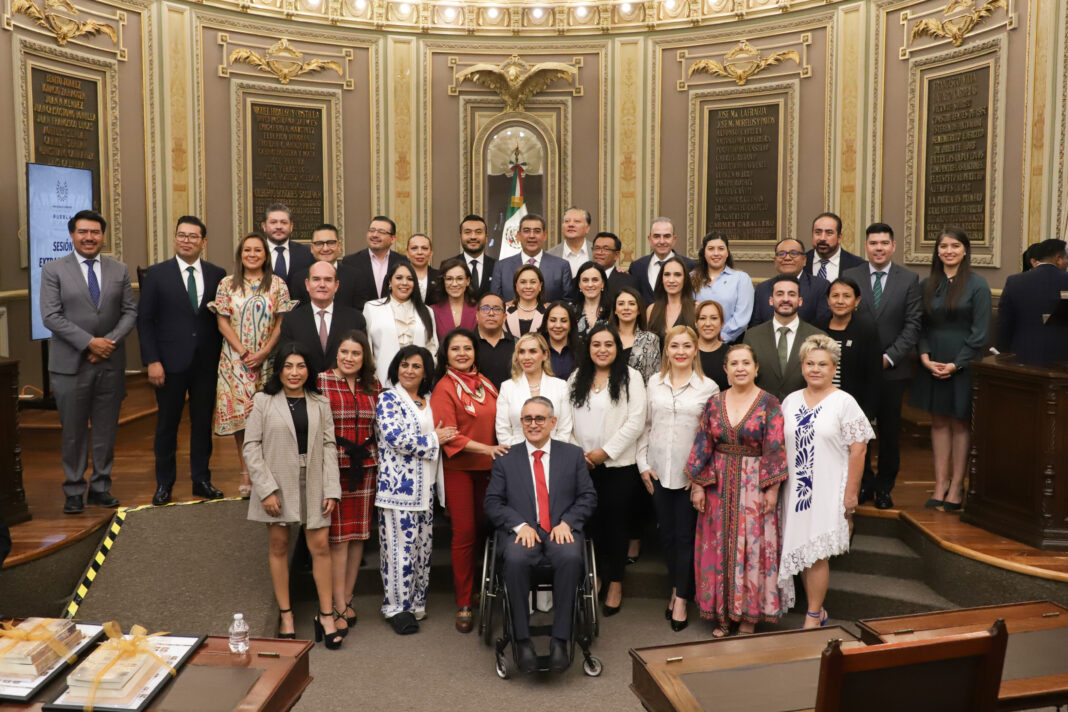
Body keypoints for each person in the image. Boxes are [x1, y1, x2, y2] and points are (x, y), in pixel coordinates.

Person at [484, 396, 597, 673]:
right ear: (521, 422)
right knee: (516, 559)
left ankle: (561, 639)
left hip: (560, 532)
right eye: (527, 419)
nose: (533, 424)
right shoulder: (506, 459)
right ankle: (522, 641)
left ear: (552, 422)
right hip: (523, 534)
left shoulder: (572, 455)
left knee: (571, 558)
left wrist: (568, 522)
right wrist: (520, 526)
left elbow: (588, 496)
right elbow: (492, 502)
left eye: (539, 419)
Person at [243, 344, 343, 648]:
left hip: (313, 479)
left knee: (320, 546)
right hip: (277, 483)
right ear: (280, 369)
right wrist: (266, 489)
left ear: (308, 371)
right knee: (279, 544)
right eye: (288, 366)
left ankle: (326, 615)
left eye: (301, 366)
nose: (295, 372)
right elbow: (251, 447)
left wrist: (332, 489)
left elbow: (328, 446)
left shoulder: (320, 402)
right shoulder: (263, 401)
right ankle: (286, 615)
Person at [686, 343, 787, 636]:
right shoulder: (714, 402)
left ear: (756, 368)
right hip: (717, 485)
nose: (740, 368)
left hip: (754, 486)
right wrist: (698, 486)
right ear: (726, 370)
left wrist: (772, 490)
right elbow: (703, 444)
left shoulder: (770, 403)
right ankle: (722, 614)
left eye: (746, 363)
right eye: (734, 363)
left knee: (751, 548)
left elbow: (775, 448)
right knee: (719, 547)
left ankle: (748, 617)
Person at [41, 209, 137, 514]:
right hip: (71, 365)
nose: (89, 237)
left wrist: (107, 344)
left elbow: (130, 312)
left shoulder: (118, 269)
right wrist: (89, 343)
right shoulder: (53, 270)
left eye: (95, 232)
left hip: (109, 363)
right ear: (72, 235)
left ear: (103, 236)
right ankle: (73, 489)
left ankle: (100, 487)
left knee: (106, 430)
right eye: (83, 232)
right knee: (73, 431)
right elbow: (51, 316)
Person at [779, 335, 874, 627]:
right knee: (803, 549)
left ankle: (812, 614)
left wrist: (851, 494)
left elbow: (859, 448)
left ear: (834, 368)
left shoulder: (844, 402)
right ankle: (817, 611)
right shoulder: (790, 400)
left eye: (823, 364)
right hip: (795, 490)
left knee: (817, 552)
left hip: (828, 488)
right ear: (802, 366)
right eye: (810, 363)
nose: (815, 369)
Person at [137, 216, 226, 506]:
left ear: (203, 241)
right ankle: (164, 483)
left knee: (202, 424)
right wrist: (152, 360)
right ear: (175, 238)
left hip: (206, 364)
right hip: (168, 364)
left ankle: (201, 479)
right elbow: (145, 321)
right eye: (182, 235)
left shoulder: (218, 275)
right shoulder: (156, 275)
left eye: (193, 236)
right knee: (167, 426)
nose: (187, 240)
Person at [637, 326, 718, 632]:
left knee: (685, 537)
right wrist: (643, 464)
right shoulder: (653, 383)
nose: (681, 351)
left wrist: (699, 476)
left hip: (689, 476)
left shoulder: (707, 387)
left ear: (695, 350)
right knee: (667, 537)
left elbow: (710, 435)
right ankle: (676, 586)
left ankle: (682, 597)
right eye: (675, 345)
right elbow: (645, 425)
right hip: (657, 471)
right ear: (666, 351)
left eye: (687, 345)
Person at [430, 328, 508, 633]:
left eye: (467, 348)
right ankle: (464, 601)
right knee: (464, 534)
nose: (462, 353)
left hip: (490, 470)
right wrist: (487, 448)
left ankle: (482, 588)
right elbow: (450, 436)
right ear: (446, 355)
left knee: (486, 530)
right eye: (455, 349)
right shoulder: (444, 388)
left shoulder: (486, 383)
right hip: (461, 469)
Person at [909, 227, 991, 513]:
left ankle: (957, 485)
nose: (949, 251)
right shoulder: (926, 284)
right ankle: (940, 483)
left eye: (955, 246)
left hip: (963, 364)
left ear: (965, 250)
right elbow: (920, 325)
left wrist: (957, 364)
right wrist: (924, 356)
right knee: (939, 422)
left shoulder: (978, 285)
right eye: (943, 246)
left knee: (959, 422)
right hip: (931, 362)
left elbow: (980, 333)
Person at [375, 346, 456, 634]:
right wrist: (435, 438)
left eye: (416, 366)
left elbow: (447, 431)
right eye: (404, 364)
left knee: (422, 549)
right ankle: (397, 608)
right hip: (398, 489)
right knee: (399, 551)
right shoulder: (388, 398)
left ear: (425, 372)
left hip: (426, 488)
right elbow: (396, 438)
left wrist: (437, 437)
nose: (409, 370)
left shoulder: (430, 400)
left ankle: (416, 602)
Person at [568, 323, 646, 616]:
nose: (602, 350)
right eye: (596, 344)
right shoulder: (577, 377)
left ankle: (615, 583)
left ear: (617, 348)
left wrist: (605, 453)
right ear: (588, 349)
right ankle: (596, 576)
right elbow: (565, 419)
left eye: (608, 344)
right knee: (591, 525)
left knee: (616, 527)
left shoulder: (631, 377)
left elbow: (636, 421)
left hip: (618, 466)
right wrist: (580, 453)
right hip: (583, 465)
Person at [210, 232, 297, 497]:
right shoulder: (226, 284)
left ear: (265, 255)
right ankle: (247, 472)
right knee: (242, 421)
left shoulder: (278, 285)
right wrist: (245, 352)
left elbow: (282, 322)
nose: (252, 254)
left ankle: (268, 472)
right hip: (235, 363)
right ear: (240, 254)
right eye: (247, 250)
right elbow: (222, 321)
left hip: (269, 361)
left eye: (258, 250)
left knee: (268, 419)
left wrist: (264, 352)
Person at [842, 223, 922, 510]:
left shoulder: (909, 279)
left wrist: (889, 357)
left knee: (888, 432)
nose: (878, 248)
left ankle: (884, 487)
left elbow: (913, 325)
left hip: (892, 369)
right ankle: (863, 482)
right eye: (873, 243)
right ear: (866, 246)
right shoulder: (850, 276)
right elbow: (842, 315)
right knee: (858, 431)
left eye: (884, 243)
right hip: (857, 371)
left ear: (893, 246)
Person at [318, 330, 379, 637]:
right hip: (334, 466)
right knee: (338, 539)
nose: (349, 358)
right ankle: (337, 602)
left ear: (364, 357)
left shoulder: (374, 385)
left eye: (356, 353)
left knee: (358, 536)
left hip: (367, 465)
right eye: (344, 352)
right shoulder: (320, 381)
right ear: (337, 353)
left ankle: (349, 596)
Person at [743, 274, 826, 401]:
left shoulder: (818, 337)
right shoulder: (752, 336)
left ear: (800, 301)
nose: (785, 299)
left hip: (805, 411)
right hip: (762, 411)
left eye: (792, 294)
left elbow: (823, 380)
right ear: (771, 300)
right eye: (780, 294)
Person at [279, 261, 367, 374]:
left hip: (343, 387)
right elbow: (285, 360)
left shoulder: (355, 319)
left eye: (328, 280)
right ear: (307, 284)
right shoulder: (291, 320)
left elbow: (362, 360)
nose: (322, 284)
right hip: (305, 388)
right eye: (316, 279)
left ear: (336, 285)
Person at [363, 261, 437, 387]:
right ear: (390, 282)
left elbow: (432, 347)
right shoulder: (372, 308)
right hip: (382, 381)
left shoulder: (427, 311)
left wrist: (426, 372)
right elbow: (367, 349)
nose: (404, 283)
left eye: (410, 279)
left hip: (418, 384)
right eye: (399, 278)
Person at [816, 277, 881, 420]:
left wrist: (867, 414)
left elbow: (874, 376)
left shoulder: (866, 329)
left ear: (857, 301)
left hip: (854, 408)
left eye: (846, 296)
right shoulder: (818, 328)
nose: (840, 301)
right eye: (835, 296)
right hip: (820, 405)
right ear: (828, 300)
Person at [997, 238, 1068, 366]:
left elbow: (1005, 322)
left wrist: (1002, 352)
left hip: (1021, 354)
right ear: (1058, 258)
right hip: (1062, 357)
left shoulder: (1014, 281)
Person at [495, 333, 573, 445]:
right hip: (517, 455)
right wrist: (520, 453)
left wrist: (550, 453)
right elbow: (502, 431)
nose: (526, 357)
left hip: (555, 455)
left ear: (545, 355)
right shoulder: (507, 387)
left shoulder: (560, 386)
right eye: (521, 352)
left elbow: (565, 429)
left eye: (532, 351)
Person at [491, 214, 574, 302]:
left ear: (545, 235)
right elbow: (494, 302)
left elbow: (568, 302)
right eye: (526, 231)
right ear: (518, 235)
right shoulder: (501, 267)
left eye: (537, 231)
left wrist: (554, 308)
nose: (531, 236)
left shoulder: (561, 266)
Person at [750, 238, 832, 326]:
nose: (787, 258)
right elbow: (755, 327)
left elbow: (823, 324)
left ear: (804, 260)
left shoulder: (820, 286)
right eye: (782, 254)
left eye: (794, 253)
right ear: (775, 261)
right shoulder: (762, 289)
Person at [691, 233, 754, 344]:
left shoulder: (741, 279)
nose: (716, 253)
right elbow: (687, 310)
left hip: (730, 343)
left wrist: (721, 336)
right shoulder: (692, 277)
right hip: (698, 343)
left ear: (727, 253)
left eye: (721, 249)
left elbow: (742, 316)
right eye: (711, 249)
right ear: (704, 253)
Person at [342, 216, 410, 310]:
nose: (374, 235)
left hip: (394, 319)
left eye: (381, 232)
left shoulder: (403, 262)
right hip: (362, 320)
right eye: (371, 230)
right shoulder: (350, 262)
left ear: (393, 239)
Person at [288, 224, 361, 310]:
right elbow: (298, 314)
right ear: (311, 248)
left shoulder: (356, 277)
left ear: (339, 245)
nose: (325, 248)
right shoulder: (299, 279)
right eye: (319, 243)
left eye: (330, 243)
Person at [627, 217, 697, 306]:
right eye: (656, 236)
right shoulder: (636, 267)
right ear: (650, 239)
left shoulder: (690, 266)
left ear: (674, 239)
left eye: (667, 236)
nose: (662, 241)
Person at [261, 203, 314, 294]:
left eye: (284, 222)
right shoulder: (255, 254)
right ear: (264, 226)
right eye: (273, 222)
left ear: (291, 226)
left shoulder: (307, 253)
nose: (279, 227)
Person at [610, 287, 661, 382]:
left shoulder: (650, 339)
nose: (626, 308)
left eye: (632, 304)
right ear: (615, 310)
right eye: (621, 304)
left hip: (639, 393)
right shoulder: (605, 337)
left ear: (638, 310)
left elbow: (653, 378)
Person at [646, 256, 696, 344]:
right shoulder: (651, 310)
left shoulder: (696, 308)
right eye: (667, 274)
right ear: (661, 278)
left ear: (685, 279)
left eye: (677, 274)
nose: (671, 280)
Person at [804, 212, 866, 283]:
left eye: (829, 233)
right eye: (818, 232)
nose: (822, 238)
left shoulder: (857, 265)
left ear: (839, 237)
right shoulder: (800, 262)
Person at [429, 257, 478, 343]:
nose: (454, 284)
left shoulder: (478, 310)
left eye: (459, 279)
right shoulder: (432, 311)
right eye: (449, 279)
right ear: (443, 281)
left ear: (468, 281)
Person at [473, 292, 515, 388]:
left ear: (504, 317)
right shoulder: (467, 344)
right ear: (477, 315)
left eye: (497, 309)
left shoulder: (517, 344)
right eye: (485, 308)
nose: (491, 313)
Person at [451, 214, 496, 297]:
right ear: (460, 237)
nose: (473, 237)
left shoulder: (497, 266)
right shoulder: (449, 266)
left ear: (486, 238)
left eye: (478, 232)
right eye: (467, 232)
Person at [539, 301, 581, 380]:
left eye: (564, 321)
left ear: (571, 324)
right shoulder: (536, 349)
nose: (558, 325)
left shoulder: (583, 350)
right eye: (553, 320)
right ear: (546, 323)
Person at [547, 207, 594, 277]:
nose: (571, 225)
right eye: (567, 221)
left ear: (587, 228)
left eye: (577, 221)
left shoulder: (597, 252)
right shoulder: (550, 255)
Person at [592, 231, 637, 303]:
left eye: (606, 249)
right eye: (596, 248)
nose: (600, 252)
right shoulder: (582, 278)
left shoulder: (628, 281)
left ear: (617, 255)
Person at [504, 264, 547, 337]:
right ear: (516, 286)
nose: (528, 286)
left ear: (540, 286)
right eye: (523, 282)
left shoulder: (548, 313)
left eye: (533, 282)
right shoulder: (504, 312)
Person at [696, 300, 729, 392]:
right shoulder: (686, 353)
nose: (708, 323)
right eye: (702, 318)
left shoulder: (731, 355)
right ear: (696, 323)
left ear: (722, 323)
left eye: (714, 318)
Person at [572, 261, 610, 335]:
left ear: (603, 283)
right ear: (579, 284)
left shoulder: (614, 310)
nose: (590, 285)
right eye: (585, 280)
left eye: (595, 280)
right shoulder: (570, 311)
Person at [406, 233, 440, 305]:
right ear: (407, 253)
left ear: (431, 253)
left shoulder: (440, 277)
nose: (419, 252)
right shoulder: (397, 277)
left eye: (424, 248)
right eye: (414, 248)